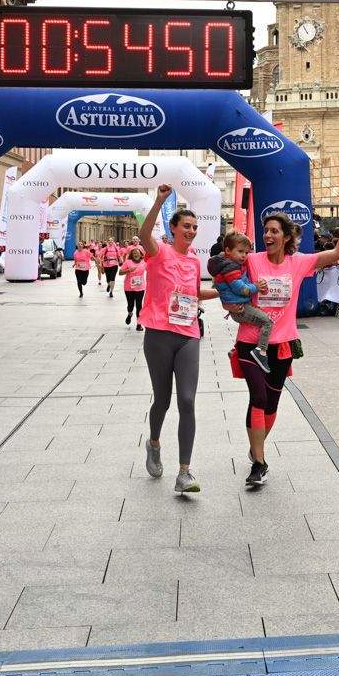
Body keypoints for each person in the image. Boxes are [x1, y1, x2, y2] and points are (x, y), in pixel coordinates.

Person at [236, 205, 339, 489]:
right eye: (266, 231)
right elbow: (227, 273)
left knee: (272, 403)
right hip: (251, 343)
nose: (268, 235)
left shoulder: (298, 263)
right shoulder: (252, 261)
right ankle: (259, 463)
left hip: (283, 344)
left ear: (287, 237)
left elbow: (338, 253)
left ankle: (257, 447)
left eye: (274, 231)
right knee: (258, 397)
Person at [138, 185, 221, 494]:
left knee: (186, 400)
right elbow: (145, 233)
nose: (191, 231)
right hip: (159, 334)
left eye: (195, 227)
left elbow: (193, 293)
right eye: (186, 226)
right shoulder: (159, 251)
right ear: (173, 229)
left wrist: (223, 294)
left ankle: (184, 472)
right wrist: (159, 201)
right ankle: (154, 443)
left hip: (188, 333)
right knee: (163, 399)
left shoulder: (193, 262)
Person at [208, 231, 274, 372]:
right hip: (240, 307)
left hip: (240, 306)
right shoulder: (230, 268)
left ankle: (242, 350)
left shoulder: (229, 263)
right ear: (227, 251)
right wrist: (256, 287)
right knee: (267, 321)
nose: (244, 255)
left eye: (246, 252)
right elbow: (241, 289)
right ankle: (261, 351)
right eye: (240, 251)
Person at [122, 245, 148, 330]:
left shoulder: (144, 262)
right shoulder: (128, 262)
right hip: (129, 287)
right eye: (134, 253)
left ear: (141, 254)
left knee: (139, 305)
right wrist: (128, 270)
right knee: (130, 305)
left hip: (140, 287)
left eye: (137, 253)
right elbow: (120, 272)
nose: (136, 254)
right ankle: (130, 314)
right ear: (131, 255)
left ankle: (139, 324)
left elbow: (152, 269)